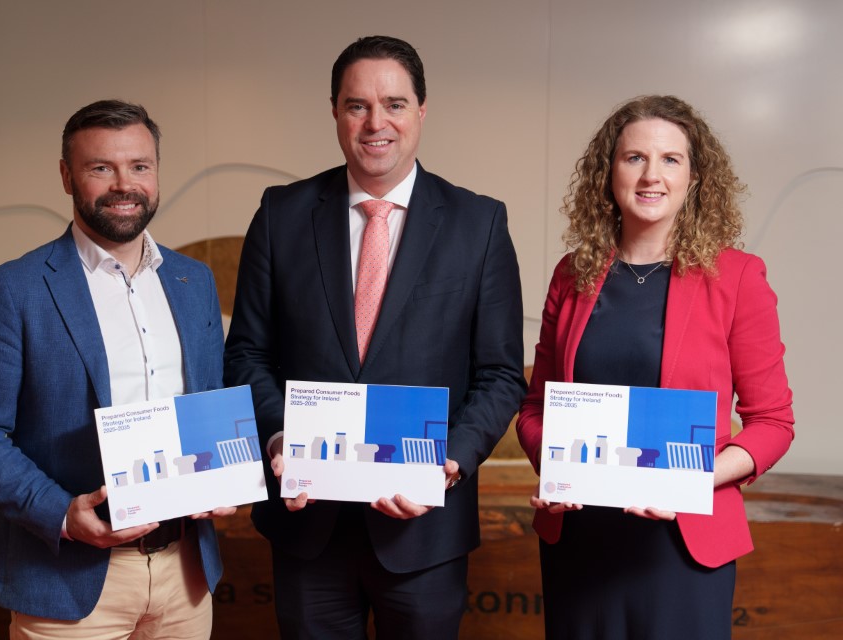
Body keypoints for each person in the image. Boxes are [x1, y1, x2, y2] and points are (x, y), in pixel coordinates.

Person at [224, 35, 525, 639]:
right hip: (308, 528)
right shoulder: (281, 214)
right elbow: (247, 354)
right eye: (356, 105)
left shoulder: (479, 223)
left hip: (424, 529)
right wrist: (281, 432)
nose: (375, 122)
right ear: (334, 111)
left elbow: (499, 375)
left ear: (421, 111)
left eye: (393, 103)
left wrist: (450, 461)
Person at [0, 99, 234, 639]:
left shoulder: (193, 283)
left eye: (140, 166)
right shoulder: (12, 289)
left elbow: (208, 404)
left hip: (186, 575)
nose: (124, 184)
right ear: (66, 176)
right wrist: (59, 512)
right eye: (101, 168)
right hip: (65, 579)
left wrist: (223, 473)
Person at [516, 95, 794, 639]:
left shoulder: (738, 277)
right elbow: (534, 408)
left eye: (671, 159)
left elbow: (773, 424)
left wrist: (689, 481)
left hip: (682, 544)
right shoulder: (572, 274)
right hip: (581, 538)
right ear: (608, 172)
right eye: (634, 158)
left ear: (695, 177)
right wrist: (554, 466)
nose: (652, 175)